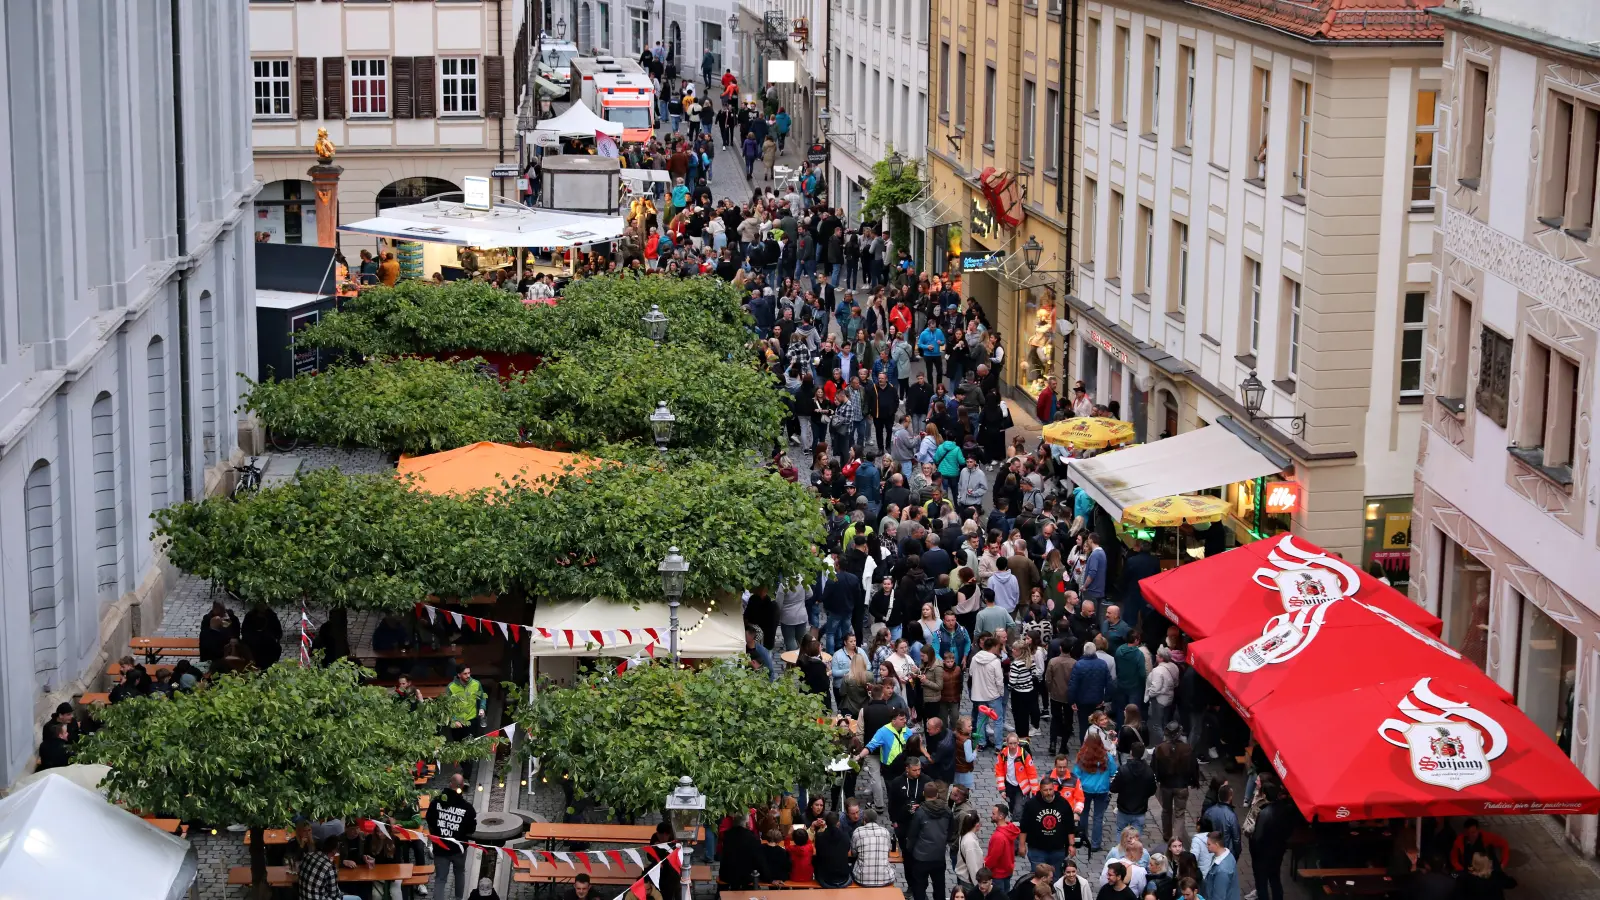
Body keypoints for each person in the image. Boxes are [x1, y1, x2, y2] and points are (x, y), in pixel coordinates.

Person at [427, 774, 477, 898]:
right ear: (461, 787)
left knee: (440, 879)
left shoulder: (436, 803)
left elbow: (429, 820)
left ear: (450, 784)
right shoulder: (467, 808)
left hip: (440, 848)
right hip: (459, 849)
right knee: (459, 873)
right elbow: (471, 828)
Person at [1246, 781, 1297, 900]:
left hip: (1264, 853)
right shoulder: (1286, 809)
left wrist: (1254, 848)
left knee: (1262, 882)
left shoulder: (1265, 813)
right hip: (1278, 850)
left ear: (1264, 795)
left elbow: (1258, 837)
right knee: (1275, 878)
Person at [1019, 776, 1076, 879]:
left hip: (1057, 849)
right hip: (1037, 849)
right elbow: (1024, 826)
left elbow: (1070, 826)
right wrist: (1022, 845)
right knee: (1038, 879)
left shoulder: (1063, 803)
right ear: (1040, 790)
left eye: (1050, 789)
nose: (1048, 792)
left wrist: (1072, 845)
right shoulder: (1031, 804)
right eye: (1045, 790)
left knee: (1056, 879)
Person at [1152, 722, 1198, 844]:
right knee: (1180, 814)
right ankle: (1176, 839)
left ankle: (1167, 835)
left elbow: (1154, 768)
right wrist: (1193, 780)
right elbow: (1194, 767)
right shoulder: (1187, 748)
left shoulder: (1160, 748)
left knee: (1166, 810)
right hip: (1181, 785)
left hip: (1166, 785)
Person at [905, 781, 952, 900]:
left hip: (921, 857)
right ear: (937, 794)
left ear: (923, 793)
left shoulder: (920, 812)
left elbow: (913, 834)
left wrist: (910, 850)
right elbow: (951, 831)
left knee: (919, 887)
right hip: (939, 855)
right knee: (940, 886)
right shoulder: (947, 811)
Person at [1073, 732, 1117, 853]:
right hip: (1102, 790)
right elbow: (1114, 772)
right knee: (1098, 817)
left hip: (1085, 789)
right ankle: (1096, 844)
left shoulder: (1082, 756)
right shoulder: (1107, 757)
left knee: (1084, 814)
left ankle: (1082, 838)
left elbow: (1076, 775)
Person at [1109, 741, 1156, 838]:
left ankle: (1121, 852)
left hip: (1124, 808)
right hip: (1140, 809)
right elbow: (1152, 790)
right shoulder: (1149, 771)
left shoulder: (1123, 770)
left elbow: (1113, 788)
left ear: (1131, 752)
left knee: (1120, 832)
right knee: (1136, 837)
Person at [968, 636, 1007, 749]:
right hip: (993, 695)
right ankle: (999, 746)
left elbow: (970, 673)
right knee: (998, 720)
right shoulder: (995, 661)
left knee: (981, 719)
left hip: (979, 695)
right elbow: (999, 680)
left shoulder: (975, 658)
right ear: (994, 646)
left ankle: (981, 743)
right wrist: (1001, 693)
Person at [297, 835, 355, 900]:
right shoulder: (329, 867)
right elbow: (334, 895)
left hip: (303, 897)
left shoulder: (308, 856)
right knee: (357, 898)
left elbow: (299, 872)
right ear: (334, 851)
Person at [994, 731, 1039, 814]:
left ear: (1018, 742)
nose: (1013, 746)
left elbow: (1032, 774)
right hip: (1009, 786)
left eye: (1015, 743)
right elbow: (999, 772)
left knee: (1018, 810)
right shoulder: (1002, 755)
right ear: (1007, 743)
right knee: (1012, 808)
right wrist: (1002, 789)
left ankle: (1018, 823)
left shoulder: (1024, 755)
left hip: (1021, 788)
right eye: (1010, 743)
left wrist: (1035, 791)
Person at [848, 808, 894, 887]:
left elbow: (853, 853)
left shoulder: (858, 832)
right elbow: (888, 853)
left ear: (864, 820)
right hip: (886, 878)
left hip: (861, 879)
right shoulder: (885, 832)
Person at [982, 802, 1021, 883]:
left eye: (993, 814)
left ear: (1001, 816)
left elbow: (993, 857)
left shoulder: (998, 837)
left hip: (998, 874)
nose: (991, 816)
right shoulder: (1010, 829)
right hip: (1008, 871)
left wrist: (984, 867)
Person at [813, 811, 853, 888]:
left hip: (825, 880)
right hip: (844, 879)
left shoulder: (819, 837)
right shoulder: (845, 836)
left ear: (826, 823)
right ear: (838, 823)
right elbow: (848, 850)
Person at [1202, 832, 1239, 900]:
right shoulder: (1228, 855)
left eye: (1209, 844)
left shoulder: (1222, 871)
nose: (1207, 846)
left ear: (1216, 844)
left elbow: (1218, 896)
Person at [955, 810, 986, 889]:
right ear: (977, 825)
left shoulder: (964, 835)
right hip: (969, 881)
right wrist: (978, 885)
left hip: (965, 878)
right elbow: (973, 866)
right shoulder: (970, 842)